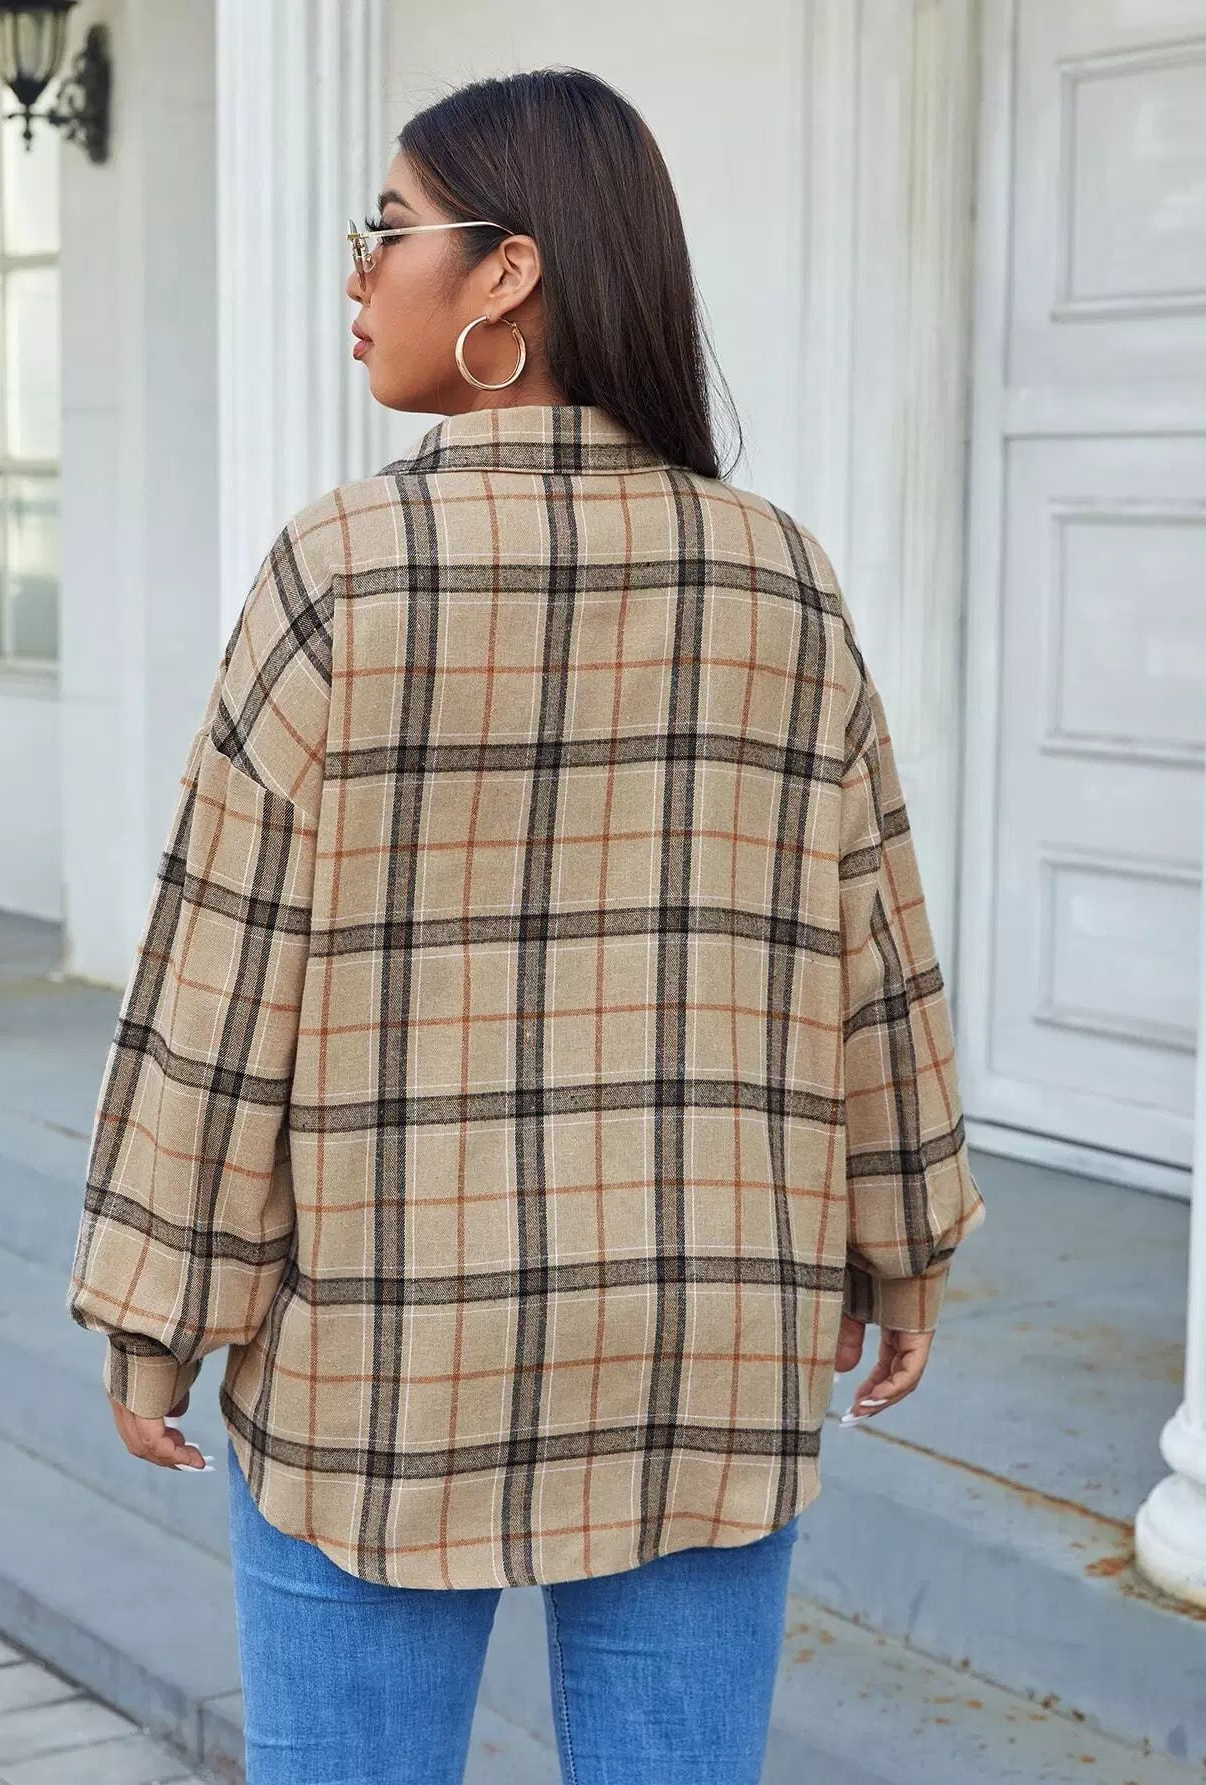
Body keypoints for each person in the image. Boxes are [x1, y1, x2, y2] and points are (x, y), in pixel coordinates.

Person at [65, 65, 985, 1785]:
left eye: (388, 232)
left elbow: (223, 980)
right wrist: (904, 1239)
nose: (357, 275)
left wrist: (157, 1311)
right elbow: (875, 950)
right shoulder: (780, 578)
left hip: (383, 1356)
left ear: (508, 273)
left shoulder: (342, 571)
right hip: (706, 1338)